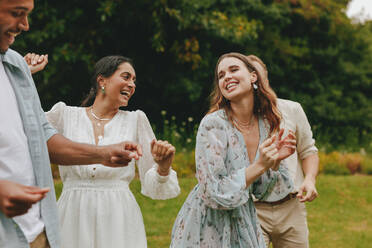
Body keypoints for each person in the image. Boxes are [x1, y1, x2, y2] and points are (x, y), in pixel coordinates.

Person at [0, 1, 141, 248]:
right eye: (17, 13)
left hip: (37, 233)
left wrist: (104, 154)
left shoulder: (16, 67)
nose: (25, 25)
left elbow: (43, 139)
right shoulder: (67, 113)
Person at [43, 55, 180, 248]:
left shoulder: (136, 120)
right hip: (72, 214)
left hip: (118, 216)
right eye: (126, 77)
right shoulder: (64, 115)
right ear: (102, 80)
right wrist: (24, 74)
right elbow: (24, 128)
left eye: (134, 80)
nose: (131, 84)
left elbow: (153, 188)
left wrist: (163, 168)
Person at [170, 52, 297, 247]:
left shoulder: (266, 123)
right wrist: (260, 165)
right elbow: (213, 192)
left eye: (234, 69)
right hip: (208, 225)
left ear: (253, 76)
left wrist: (274, 162)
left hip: (245, 222)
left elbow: (262, 191)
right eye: (221, 75)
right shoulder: (213, 125)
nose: (226, 76)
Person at [249, 55, 319, 248]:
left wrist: (310, 179)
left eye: (259, 77)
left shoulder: (292, 109)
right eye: (250, 77)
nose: (255, 83)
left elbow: (308, 150)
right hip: (251, 208)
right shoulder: (235, 118)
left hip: (292, 206)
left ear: (266, 79)